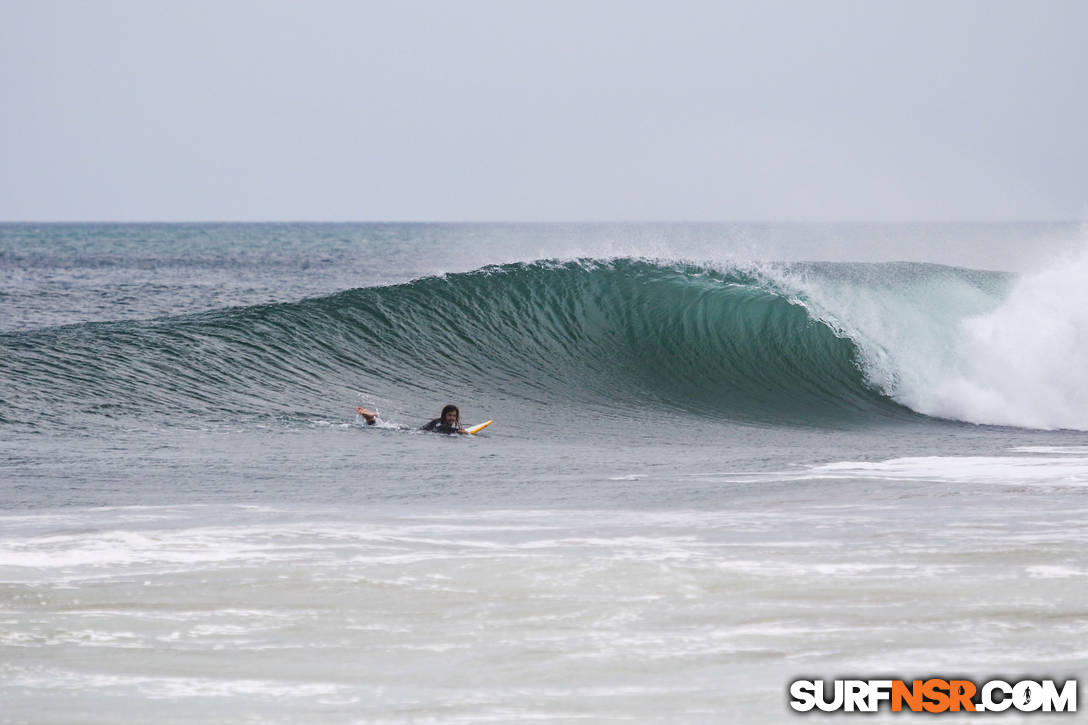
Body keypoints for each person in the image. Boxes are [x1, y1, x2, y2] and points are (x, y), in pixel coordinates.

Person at [356, 403, 469, 435]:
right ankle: (370, 418)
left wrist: (457, 431)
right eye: (449, 415)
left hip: (413, 431)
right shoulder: (439, 423)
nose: (452, 418)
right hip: (414, 432)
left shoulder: (442, 423)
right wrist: (457, 432)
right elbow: (441, 429)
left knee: (380, 427)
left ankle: (370, 418)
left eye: (454, 416)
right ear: (444, 415)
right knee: (383, 428)